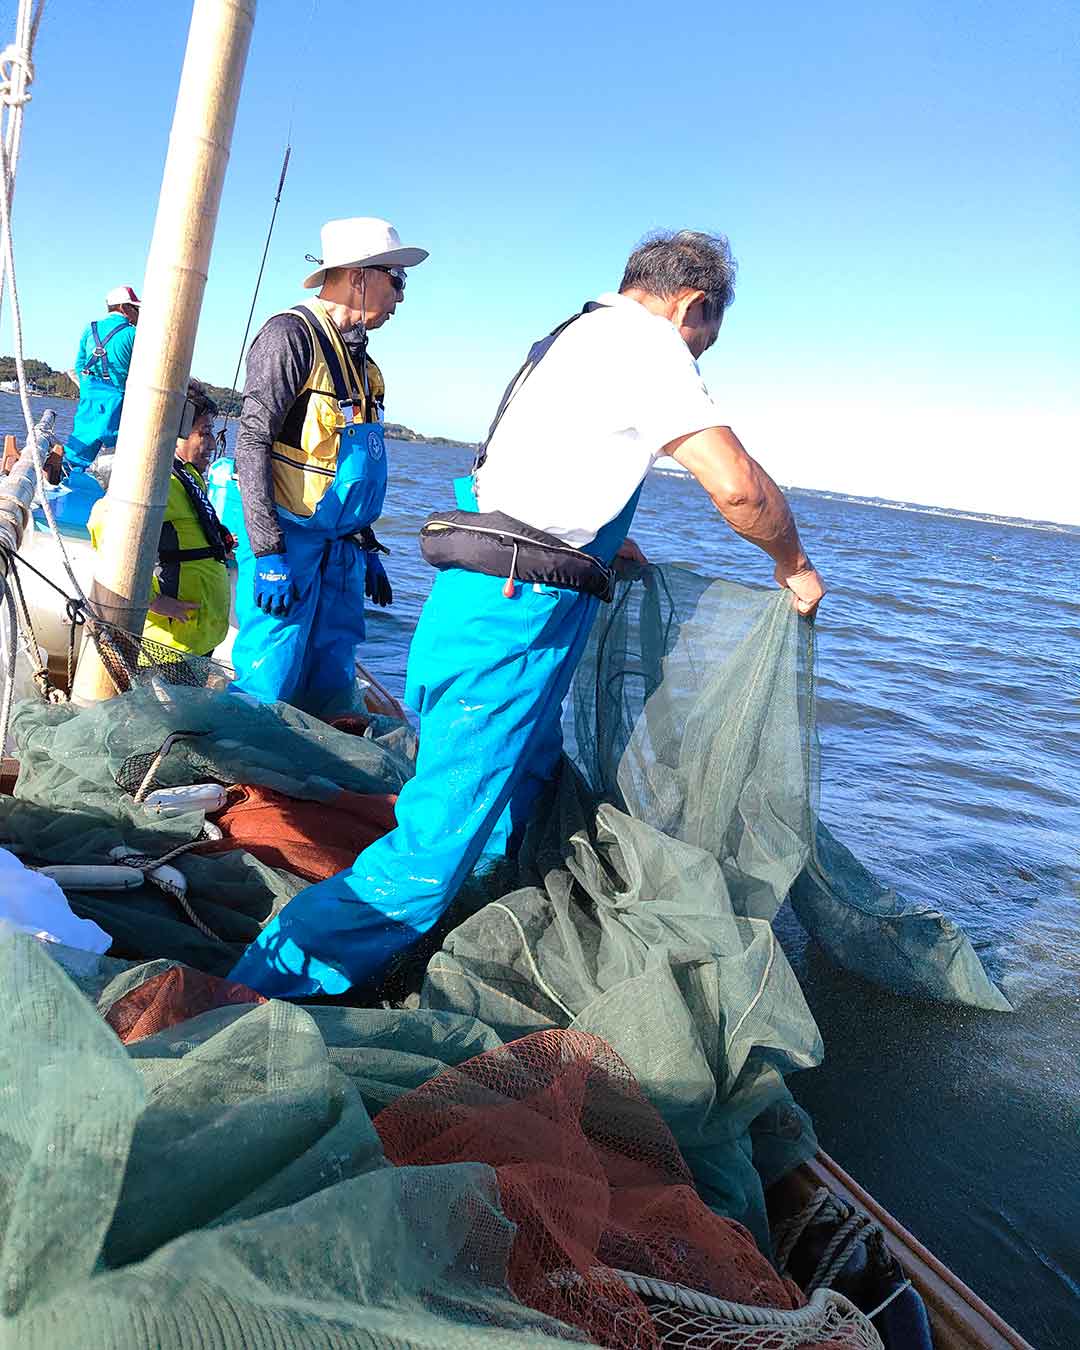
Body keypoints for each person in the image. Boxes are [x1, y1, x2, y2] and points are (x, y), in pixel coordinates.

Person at [229, 229, 826, 999]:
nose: (701, 353)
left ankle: (457, 932)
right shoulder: (650, 347)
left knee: (522, 787)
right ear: (693, 305)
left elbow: (517, 474)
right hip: (511, 621)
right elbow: (738, 486)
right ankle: (246, 999)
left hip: (479, 603)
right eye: (707, 336)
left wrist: (610, 537)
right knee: (430, 852)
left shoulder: (570, 338)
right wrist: (795, 567)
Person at [230, 216, 428, 715]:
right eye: (396, 280)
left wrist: (366, 543)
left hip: (340, 548)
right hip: (288, 539)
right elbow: (251, 442)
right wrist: (269, 551)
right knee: (271, 670)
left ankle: (318, 773)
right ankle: (253, 772)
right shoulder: (289, 337)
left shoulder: (365, 365)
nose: (400, 297)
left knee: (333, 670)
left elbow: (352, 464)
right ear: (358, 276)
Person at [89, 381, 233, 659]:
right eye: (204, 433)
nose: (212, 443)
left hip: (197, 638)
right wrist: (151, 600)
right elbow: (103, 521)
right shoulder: (159, 483)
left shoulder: (188, 476)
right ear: (176, 433)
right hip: (169, 645)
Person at [63, 285, 141, 476]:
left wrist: (87, 385)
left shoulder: (90, 329)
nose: (138, 313)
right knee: (117, 447)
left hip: (89, 392)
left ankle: (64, 475)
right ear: (124, 307)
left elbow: (80, 364)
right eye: (135, 308)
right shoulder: (134, 334)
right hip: (116, 396)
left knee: (80, 443)